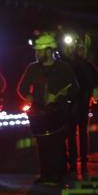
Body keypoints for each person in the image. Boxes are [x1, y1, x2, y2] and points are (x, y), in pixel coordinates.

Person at [17, 33, 79, 185]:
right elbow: (22, 88)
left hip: (58, 111)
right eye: (36, 51)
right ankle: (45, 175)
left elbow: (75, 89)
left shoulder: (63, 68)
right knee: (43, 145)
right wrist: (29, 96)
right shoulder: (32, 68)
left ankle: (57, 175)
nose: (37, 53)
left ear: (49, 50)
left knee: (57, 145)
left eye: (40, 50)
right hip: (38, 113)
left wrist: (59, 97)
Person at [62, 32, 98, 176]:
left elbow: (97, 82)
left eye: (81, 49)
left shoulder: (87, 65)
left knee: (82, 134)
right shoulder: (68, 65)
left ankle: (82, 161)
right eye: (78, 48)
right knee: (72, 134)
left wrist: (94, 92)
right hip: (71, 104)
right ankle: (73, 163)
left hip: (83, 104)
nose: (80, 51)